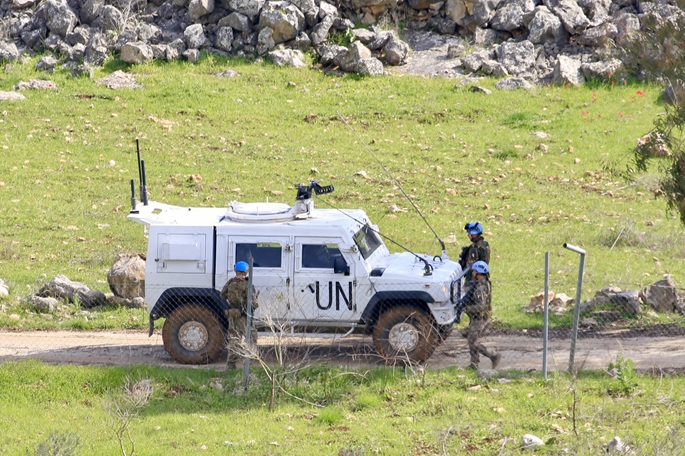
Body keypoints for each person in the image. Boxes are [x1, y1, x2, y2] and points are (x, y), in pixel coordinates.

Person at [462, 260, 500, 370]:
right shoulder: (483, 284)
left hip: (479, 318)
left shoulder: (480, 288)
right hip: (479, 317)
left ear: (478, 272)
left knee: (472, 341)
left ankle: (493, 356)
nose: (472, 273)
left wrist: (466, 309)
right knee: (472, 339)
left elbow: (481, 306)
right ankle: (474, 364)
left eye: (474, 271)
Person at [220, 261, 259, 367]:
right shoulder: (247, 284)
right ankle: (248, 362)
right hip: (244, 315)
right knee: (251, 337)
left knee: (234, 338)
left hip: (232, 314)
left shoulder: (230, 282)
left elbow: (222, 295)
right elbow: (254, 303)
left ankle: (231, 364)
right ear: (246, 271)